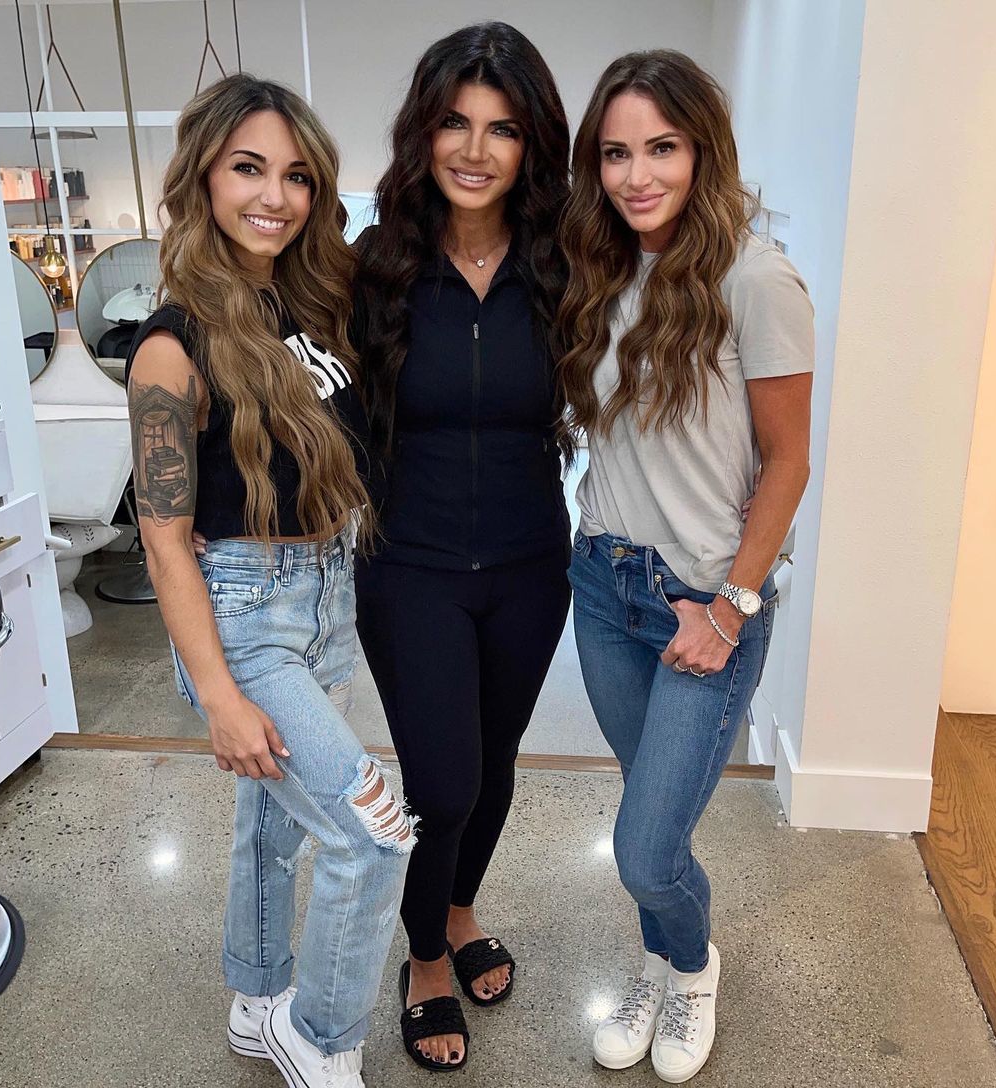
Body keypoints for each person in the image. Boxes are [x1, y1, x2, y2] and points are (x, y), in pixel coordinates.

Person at [125, 74, 413, 1088]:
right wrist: (218, 697)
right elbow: (164, 542)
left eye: (296, 176)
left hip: (325, 592)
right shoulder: (170, 347)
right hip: (245, 613)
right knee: (375, 833)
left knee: (275, 820)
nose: (274, 196)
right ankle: (322, 1037)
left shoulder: (309, 300)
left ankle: (258, 999)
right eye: (249, 168)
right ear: (204, 175)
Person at [558, 51, 814, 1083]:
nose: (637, 175)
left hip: (702, 603)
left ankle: (693, 967)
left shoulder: (755, 276)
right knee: (645, 812)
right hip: (601, 583)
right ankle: (662, 957)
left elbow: (789, 461)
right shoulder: (601, 267)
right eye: (616, 153)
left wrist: (732, 606)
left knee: (646, 848)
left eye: (661, 147)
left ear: (704, 149)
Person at [352, 22, 572, 1072]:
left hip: (532, 565)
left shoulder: (565, 266)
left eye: (503, 129)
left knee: (492, 768)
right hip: (410, 568)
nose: (476, 150)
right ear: (423, 132)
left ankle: (459, 901)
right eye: (454, 123)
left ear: (531, 147)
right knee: (442, 781)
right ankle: (427, 954)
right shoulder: (374, 269)